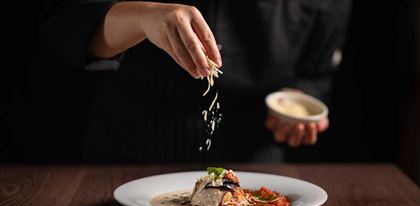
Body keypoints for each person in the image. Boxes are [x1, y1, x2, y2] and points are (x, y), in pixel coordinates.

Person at [36, 0, 350, 163]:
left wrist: (297, 102)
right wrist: (143, 16)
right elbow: (66, 28)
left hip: (257, 163)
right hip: (134, 151)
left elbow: (316, 73)